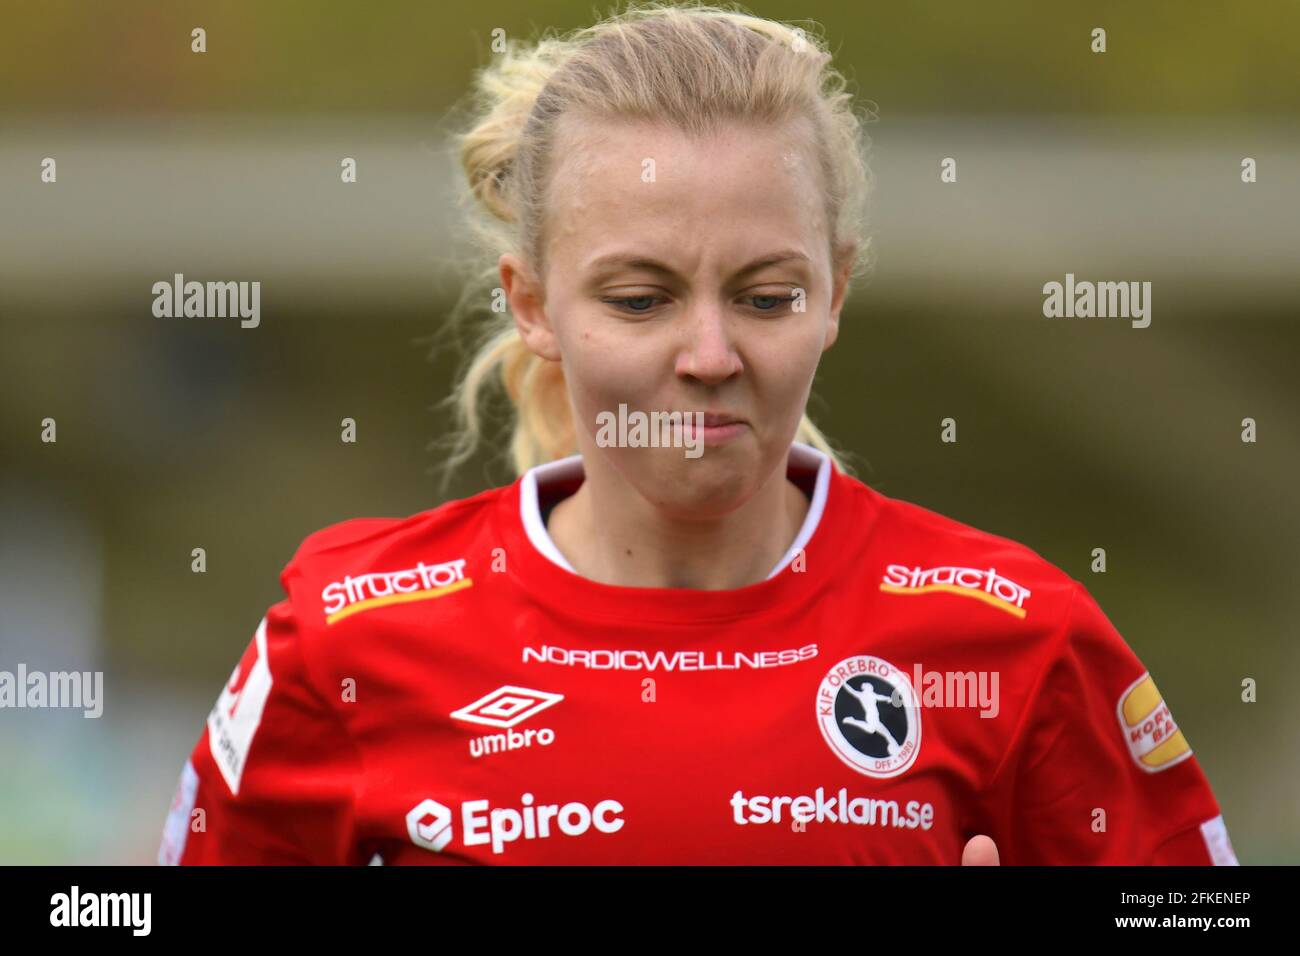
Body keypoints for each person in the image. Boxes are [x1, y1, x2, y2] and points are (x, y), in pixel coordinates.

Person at [159, 2, 1236, 865]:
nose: (710, 353)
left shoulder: (1015, 639)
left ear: (835, 290)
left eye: (766, 297)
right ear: (530, 300)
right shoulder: (344, 637)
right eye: (640, 298)